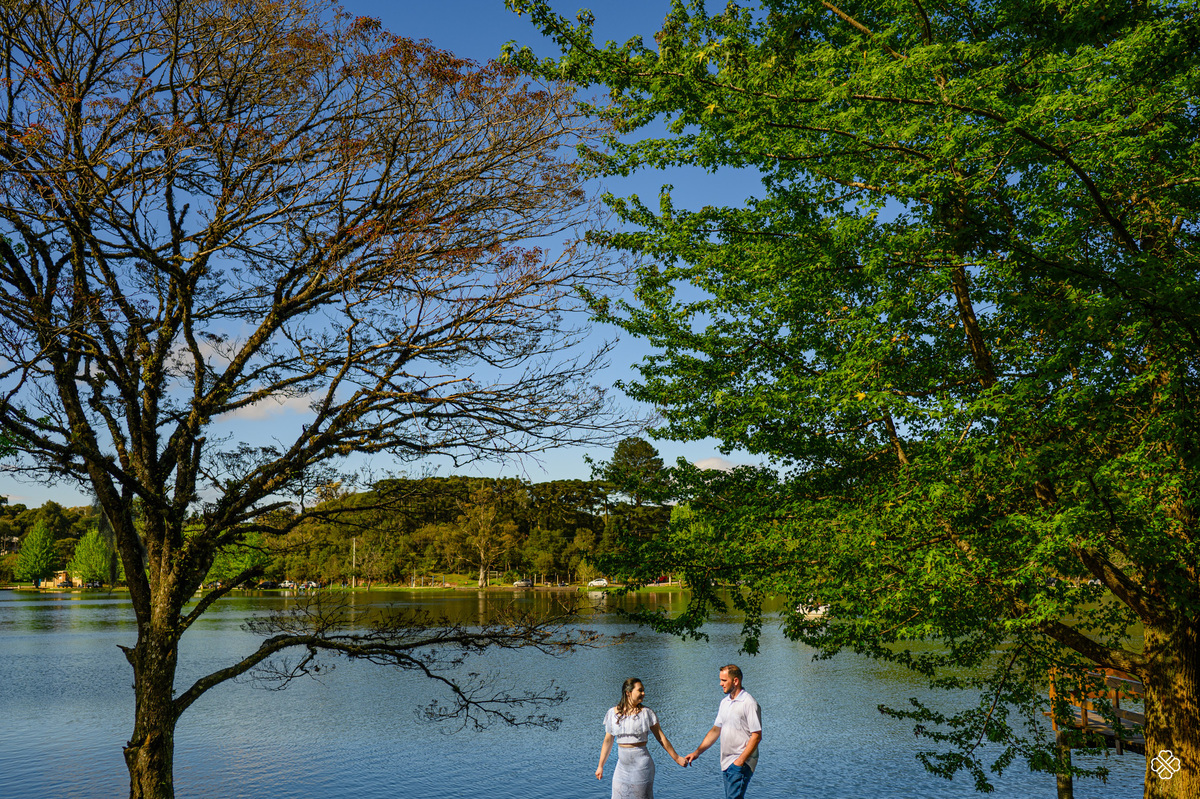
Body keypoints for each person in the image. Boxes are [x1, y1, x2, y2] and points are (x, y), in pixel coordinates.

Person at [597, 677, 688, 798]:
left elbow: (661, 738)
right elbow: (608, 741)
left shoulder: (646, 713)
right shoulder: (613, 713)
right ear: (628, 693)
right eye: (640, 690)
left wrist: (676, 758)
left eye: (643, 690)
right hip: (622, 768)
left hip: (642, 767)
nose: (643, 693)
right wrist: (600, 766)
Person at [684, 664, 762, 799]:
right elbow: (715, 731)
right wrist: (697, 752)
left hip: (741, 763)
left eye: (724, 680)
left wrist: (740, 761)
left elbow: (756, 736)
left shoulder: (748, 702)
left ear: (735, 681)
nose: (720, 684)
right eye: (720, 680)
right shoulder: (724, 702)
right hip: (726, 763)